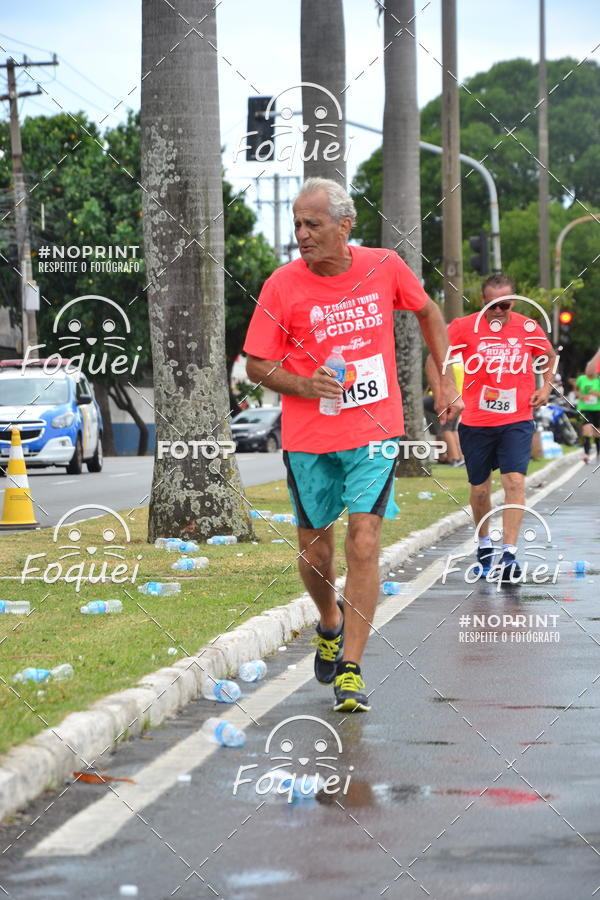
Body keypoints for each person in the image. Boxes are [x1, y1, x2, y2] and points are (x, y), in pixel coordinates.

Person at [243, 177, 461, 712]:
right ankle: (329, 620)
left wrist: (445, 377)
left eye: (312, 224)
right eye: (296, 224)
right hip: (309, 437)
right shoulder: (281, 285)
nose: (301, 234)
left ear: (345, 226)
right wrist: (304, 384)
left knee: (364, 541)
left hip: (374, 430)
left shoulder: (384, 266)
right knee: (316, 555)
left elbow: (429, 312)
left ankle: (352, 668)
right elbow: (255, 363)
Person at [427, 273, 557, 581]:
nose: (498, 311)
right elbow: (435, 359)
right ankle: (485, 545)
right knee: (480, 489)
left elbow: (549, 356)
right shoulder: (463, 327)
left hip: (517, 420)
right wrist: (445, 393)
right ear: (483, 301)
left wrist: (546, 388)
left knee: (514, 483)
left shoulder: (527, 327)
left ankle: (509, 555)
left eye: (505, 304)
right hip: (476, 422)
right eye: (492, 305)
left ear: (514, 301)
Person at [575, 369, 600, 462]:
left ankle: (598, 452)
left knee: (597, 432)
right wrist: (581, 396)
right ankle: (586, 453)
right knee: (587, 429)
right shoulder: (581, 379)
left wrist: (596, 394)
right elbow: (576, 390)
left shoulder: (598, 379)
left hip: (597, 409)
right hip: (584, 408)